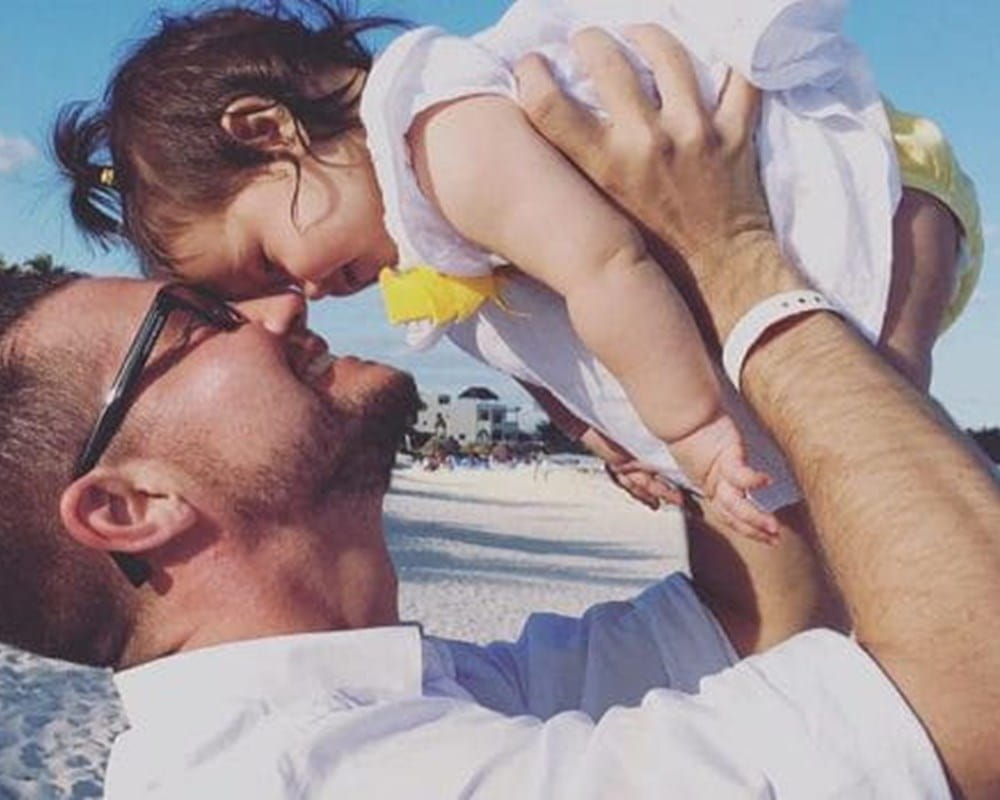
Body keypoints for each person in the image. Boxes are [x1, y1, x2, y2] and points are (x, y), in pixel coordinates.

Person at [4, 31, 998, 797]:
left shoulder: (412, 691)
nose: (284, 304)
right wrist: (733, 254)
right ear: (131, 505)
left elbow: (756, 616)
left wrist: (664, 322)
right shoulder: (326, 774)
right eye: (200, 318)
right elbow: (979, 689)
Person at [51, 0, 980, 542]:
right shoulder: (422, 231)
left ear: (267, 130)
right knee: (858, 447)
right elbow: (531, 342)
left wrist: (691, 430)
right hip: (810, 237)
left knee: (890, 414)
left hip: (885, 181)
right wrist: (602, 432)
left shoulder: (445, 136)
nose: (297, 294)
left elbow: (606, 269)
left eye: (264, 258)